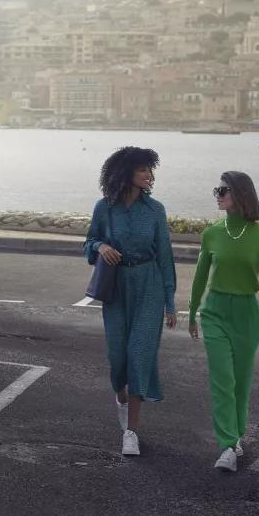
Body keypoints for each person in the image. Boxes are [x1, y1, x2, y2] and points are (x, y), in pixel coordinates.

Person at [83, 146, 177, 457]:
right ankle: (120, 397)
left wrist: (169, 301)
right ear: (126, 173)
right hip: (117, 288)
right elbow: (89, 242)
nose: (149, 175)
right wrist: (100, 247)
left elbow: (165, 256)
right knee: (117, 359)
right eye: (143, 170)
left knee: (139, 354)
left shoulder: (155, 210)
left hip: (149, 285)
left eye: (150, 170)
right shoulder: (104, 208)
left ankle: (131, 432)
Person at [187, 171, 259, 473]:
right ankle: (227, 445)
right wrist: (192, 312)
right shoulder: (211, 233)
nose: (218, 195)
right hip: (214, 312)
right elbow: (200, 275)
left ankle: (237, 433)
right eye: (216, 190)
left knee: (241, 381)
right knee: (223, 380)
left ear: (240, 194)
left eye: (223, 190)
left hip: (246, 315)